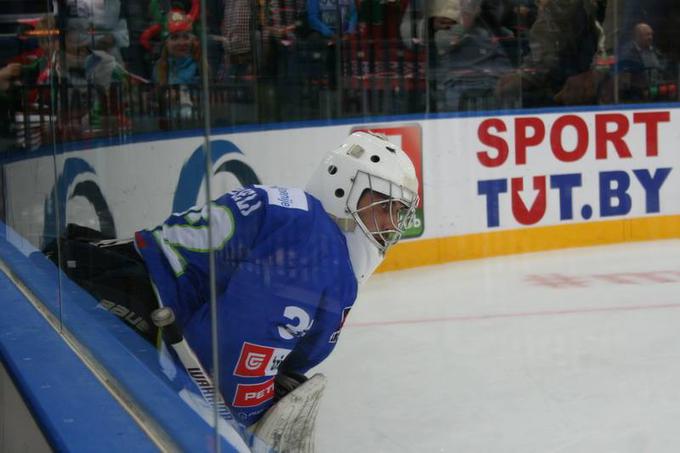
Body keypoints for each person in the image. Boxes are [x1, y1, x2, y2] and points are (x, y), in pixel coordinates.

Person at [43, 131, 419, 447]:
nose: (391, 223)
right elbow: (229, 356)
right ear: (343, 189)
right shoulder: (317, 248)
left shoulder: (305, 221)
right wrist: (251, 417)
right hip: (128, 303)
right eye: (384, 206)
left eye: (398, 212)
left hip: (121, 278)